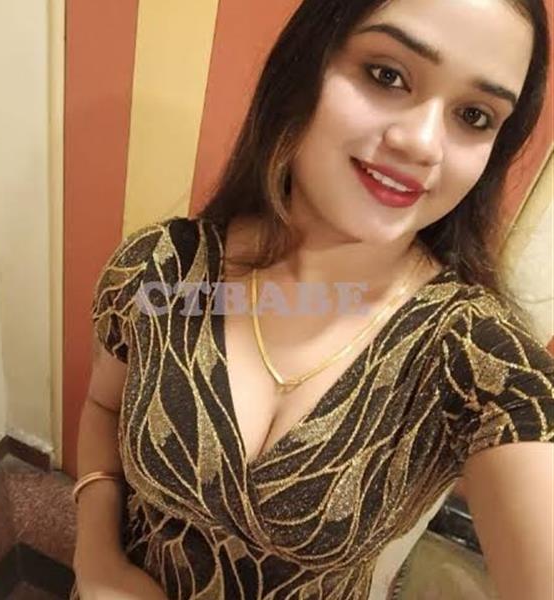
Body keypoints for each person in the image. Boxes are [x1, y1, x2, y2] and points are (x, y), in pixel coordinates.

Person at [70, 0, 554, 598]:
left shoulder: (480, 361)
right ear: (304, 66)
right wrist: (97, 561)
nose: (423, 143)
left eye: (475, 116)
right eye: (387, 75)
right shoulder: (162, 272)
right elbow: (104, 409)